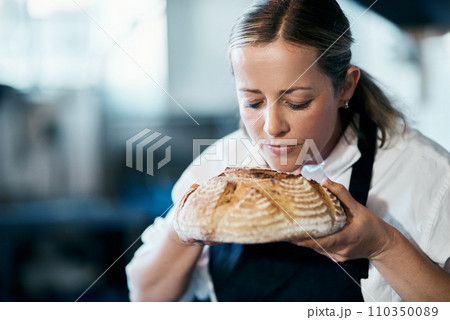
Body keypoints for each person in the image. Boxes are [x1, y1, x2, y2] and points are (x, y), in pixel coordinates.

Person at [125, 0, 450, 302]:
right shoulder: (217, 167)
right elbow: (147, 297)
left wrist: (383, 244)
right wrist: (184, 231)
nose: (271, 127)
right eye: (252, 102)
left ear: (345, 87)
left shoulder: (424, 174)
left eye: (297, 103)